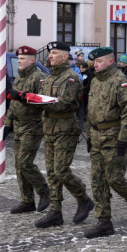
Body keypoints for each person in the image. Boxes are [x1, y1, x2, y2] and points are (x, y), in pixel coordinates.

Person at [83, 47, 127, 238]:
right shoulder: (96, 81)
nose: (94, 65)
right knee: (97, 181)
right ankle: (103, 222)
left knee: (115, 179)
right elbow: (91, 111)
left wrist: (124, 139)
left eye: (98, 61)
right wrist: (89, 135)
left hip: (114, 138)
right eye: (94, 62)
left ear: (110, 61)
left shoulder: (119, 81)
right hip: (97, 138)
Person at [29, 41, 94, 228]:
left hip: (65, 129)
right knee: (51, 172)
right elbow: (42, 97)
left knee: (61, 170)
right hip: (49, 128)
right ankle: (55, 211)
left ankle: (83, 198)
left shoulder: (71, 78)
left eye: (55, 53)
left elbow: (65, 103)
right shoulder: (49, 78)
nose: (50, 56)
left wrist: (40, 103)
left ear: (65, 56)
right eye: (50, 53)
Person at [4, 46, 51, 214]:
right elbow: (13, 103)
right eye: (18, 59)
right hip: (19, 125)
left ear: (32, 60)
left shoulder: (39, 77)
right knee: (19, 165)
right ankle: (27, 200)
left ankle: (45, 191)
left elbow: (43, 102)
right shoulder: (19, 78)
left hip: (33, 125)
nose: (19, 61)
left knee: (25, 162)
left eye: (23, 59)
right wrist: (7, 123)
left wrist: (23, 98)